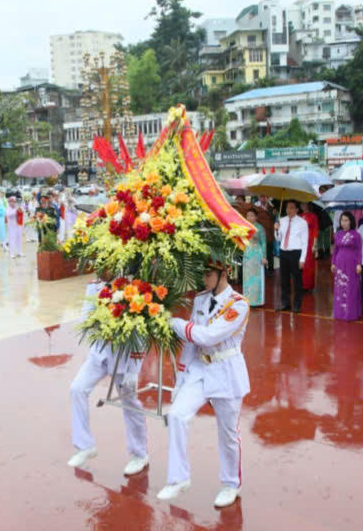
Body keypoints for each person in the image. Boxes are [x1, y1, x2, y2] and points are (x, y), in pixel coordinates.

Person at [158, 258, 250, 508]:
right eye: (203, 274)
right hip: (199, 368)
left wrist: (175, 323)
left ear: (225, 273)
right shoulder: (200, 299)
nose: (204, 279)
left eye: (209, 274)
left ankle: (231, 484)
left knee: (228, 433)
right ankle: (178, 479)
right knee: (176, 415)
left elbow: (209, 336)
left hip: (226, 370)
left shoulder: (238, 305)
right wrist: (181, 377)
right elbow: (191, 344)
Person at [68, 273, 148, 475]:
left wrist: (134, 368)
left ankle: (140, 454)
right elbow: (85, 318)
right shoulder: (94, 287)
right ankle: (85, 446)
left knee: (130, 404)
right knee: (77, 389)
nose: (99, 268)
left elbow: (140, 330)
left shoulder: (131, 287)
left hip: (124, 356)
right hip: (100, 352)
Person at [274, 201, 308, 313]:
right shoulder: (282, 220)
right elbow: (278, 239)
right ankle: (285, 303)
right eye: (288, 207)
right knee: (284, 280)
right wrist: (276, 229)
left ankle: (297, 305)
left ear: (297, 209)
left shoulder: (302, 223)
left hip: (296, 253)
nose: (289, 210)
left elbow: (305, 242)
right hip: (284, 252)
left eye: (292, 208)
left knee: (297, 281)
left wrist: (302, 259)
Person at [332, 212, 362, 321]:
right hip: (340, 264)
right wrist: (333, 263)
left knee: (351, 287)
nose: (343, 222)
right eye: (342, 220)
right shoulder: (338, 234)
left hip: (352, 264)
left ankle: (351, 313)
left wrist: (359, 264)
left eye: (346, 220)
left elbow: (359, 251)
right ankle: (340, 313)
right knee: (340, 288)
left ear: (351, 221)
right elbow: (335, 250)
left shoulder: (356, 235)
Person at [241, 209, 266, 306]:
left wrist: (264, 256)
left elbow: (263, 243)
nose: (249, 217)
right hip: (247, 253)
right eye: (248, 215)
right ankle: (247, 299)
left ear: (256, 217)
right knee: (246, 277)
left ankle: (257, 300)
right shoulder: (243, 227)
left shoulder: (260, 228)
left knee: (256, 278)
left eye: (252, 215)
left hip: (257, 254)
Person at [300, 202, 319, 291]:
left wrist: (314, 245)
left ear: (308, 205)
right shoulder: (299, 216)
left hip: (310, 242)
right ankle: (302, 284)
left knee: (309, 265)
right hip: (301, 243)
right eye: (301, 204)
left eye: (304, 204)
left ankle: (308, 285)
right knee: (301, 263)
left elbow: (315, 230)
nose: (302, 206)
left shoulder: (313, 216)